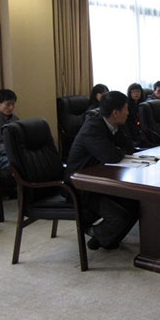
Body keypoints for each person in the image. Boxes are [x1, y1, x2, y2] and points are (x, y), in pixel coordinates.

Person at [65, 91, 139, 250]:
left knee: (137, 203)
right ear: (115, 112)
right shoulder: (92, 127)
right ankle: (93, 232)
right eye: (126, 108)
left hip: (101, 181)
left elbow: (129, 147)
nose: (128, 112)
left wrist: (118, 150)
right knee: (119, 217)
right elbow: (111, 156)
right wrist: (118, 151)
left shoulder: (115, 125)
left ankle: (103, 240)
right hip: (81, 186)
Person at [126, 83, 152, 148]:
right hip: (132, 129)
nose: (136, 94)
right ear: (129, 93)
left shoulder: (144, 104)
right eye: (133, 92)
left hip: (144, 127)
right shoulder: (127, 105)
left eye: (138, 91)